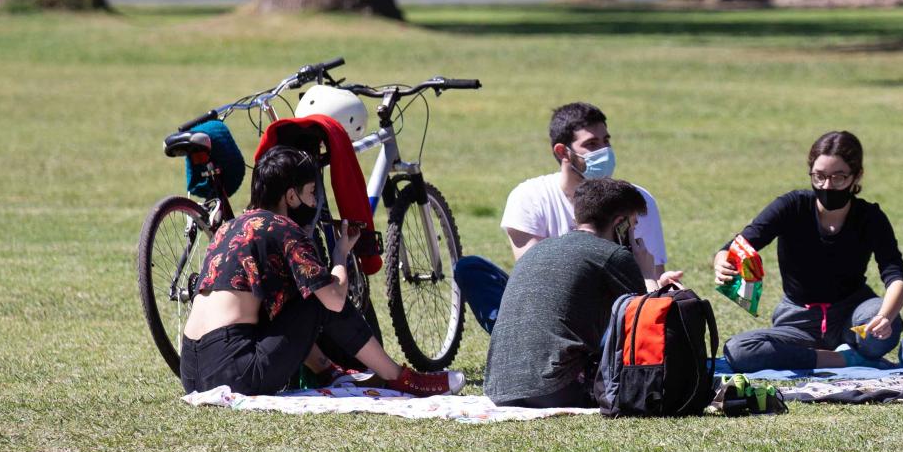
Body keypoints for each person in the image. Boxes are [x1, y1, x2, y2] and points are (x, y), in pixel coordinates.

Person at [180, 147, 462, 397]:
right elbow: (334, 301)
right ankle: (399, 378)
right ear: (291, 196)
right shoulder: (284, 229)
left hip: (191, 371)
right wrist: (340, 253)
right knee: (322, 297)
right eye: (312, 193)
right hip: (235, 373)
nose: (315, 203)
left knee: (295, 298)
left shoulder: (230, 227)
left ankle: (329, 372)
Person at [453, 102, 668, 332]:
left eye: (606, 141)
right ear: (562, 151)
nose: (604, 151)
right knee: (471, 268)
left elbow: (652, 278)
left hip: (612, 312)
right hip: (547, 312)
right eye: (591, 144)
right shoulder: (529, 196)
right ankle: (516, 341)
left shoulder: (635, 201)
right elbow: (533, 278)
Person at [713, 130, 903, 371]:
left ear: (857, 176)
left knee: (887, 327)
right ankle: (845, 359)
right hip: (797, 319)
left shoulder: (870, 217)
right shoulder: (791, 206)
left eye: (838, 177)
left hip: (853, 314)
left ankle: (832, 352)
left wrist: (885, 317)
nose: (827, 185)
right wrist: (722, 261)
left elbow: (895, 274)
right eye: (819, 176)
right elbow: (739, 244)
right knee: (739, 351)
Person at [484, 179, 681, 408]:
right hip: (557, 388)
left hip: (500, 388)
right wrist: (648, 274)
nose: (635, 234)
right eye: (633, 225)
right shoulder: (614, 255)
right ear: (620, 224)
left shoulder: (538, 251)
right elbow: (648, 327)